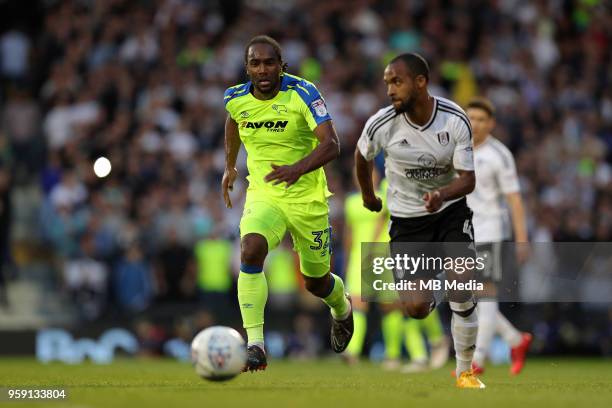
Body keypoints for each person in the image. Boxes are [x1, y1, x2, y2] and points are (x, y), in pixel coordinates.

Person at [222, 35, 353, 372]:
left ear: (282, 66)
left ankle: (341, 308)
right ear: (247, 68)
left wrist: (297, 169)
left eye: (269, 62)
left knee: (316, 282)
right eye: (255, 63)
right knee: (250, 250)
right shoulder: (235, 99)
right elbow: (234, 122)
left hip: (307, 198)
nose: (263, 69)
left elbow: (332, 144)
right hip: (265, 193)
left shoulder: (304, 93)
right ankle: (255, 346)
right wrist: (230, 165)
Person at [354, 53, 484, 389]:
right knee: (415, 308)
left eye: (396, 82)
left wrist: (442, 195)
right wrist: (368, 195)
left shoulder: (454, 119)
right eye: (387, 83)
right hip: (407, 222)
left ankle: (465, 372)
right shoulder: (381, 124)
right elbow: (361, 155)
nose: (390, 90)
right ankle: (441, 283)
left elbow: (468, 180)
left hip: (449, 213)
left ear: (420, 82)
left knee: (462, 288)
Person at [465, 97, 532, 375]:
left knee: (486, 292)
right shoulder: (456, 149)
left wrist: (522, 238)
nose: (475, 124)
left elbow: (514, 199)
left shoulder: (499, 154)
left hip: (491, 227)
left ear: (491, 124)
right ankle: (515, 339)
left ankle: (477, 360)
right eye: (471, 118)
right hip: (462, 230)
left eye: (481, 119)